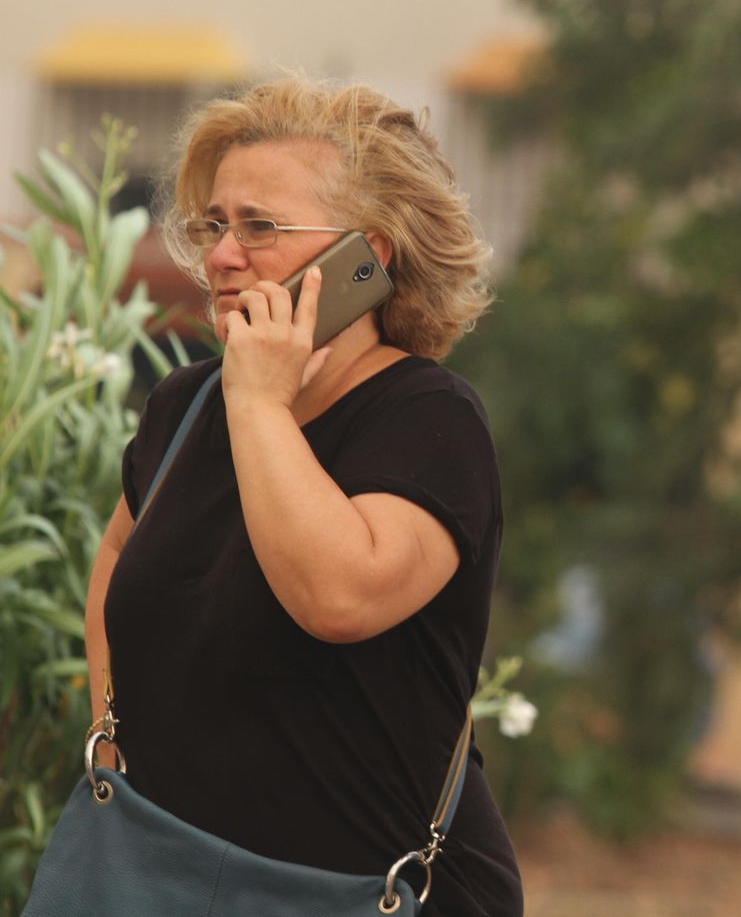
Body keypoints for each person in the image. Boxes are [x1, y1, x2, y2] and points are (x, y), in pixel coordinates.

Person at [81, 77, 523, 915]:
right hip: (169, 880)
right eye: (214, 224)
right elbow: (117, 557)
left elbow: (337, 596)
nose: (221, 255)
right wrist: (111, 744)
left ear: (366, 259)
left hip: (368, 893)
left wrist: (259, 400)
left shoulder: (431, 418)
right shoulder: (185, 405)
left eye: (260, 227)